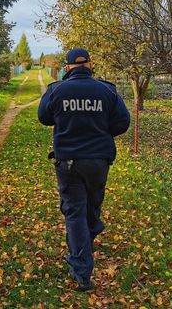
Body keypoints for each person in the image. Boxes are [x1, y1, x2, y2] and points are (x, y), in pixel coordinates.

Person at [38, 48, 130, 291]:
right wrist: (101, 130)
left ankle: (81, 268)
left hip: (68, 161)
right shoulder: (107, 90)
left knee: (75, 211)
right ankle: (85, 247)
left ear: (67, 68)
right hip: (98, 161)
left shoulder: (57, 90)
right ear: (90, 65)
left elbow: (44, 117)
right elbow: (123, 122)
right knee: (91, 207)